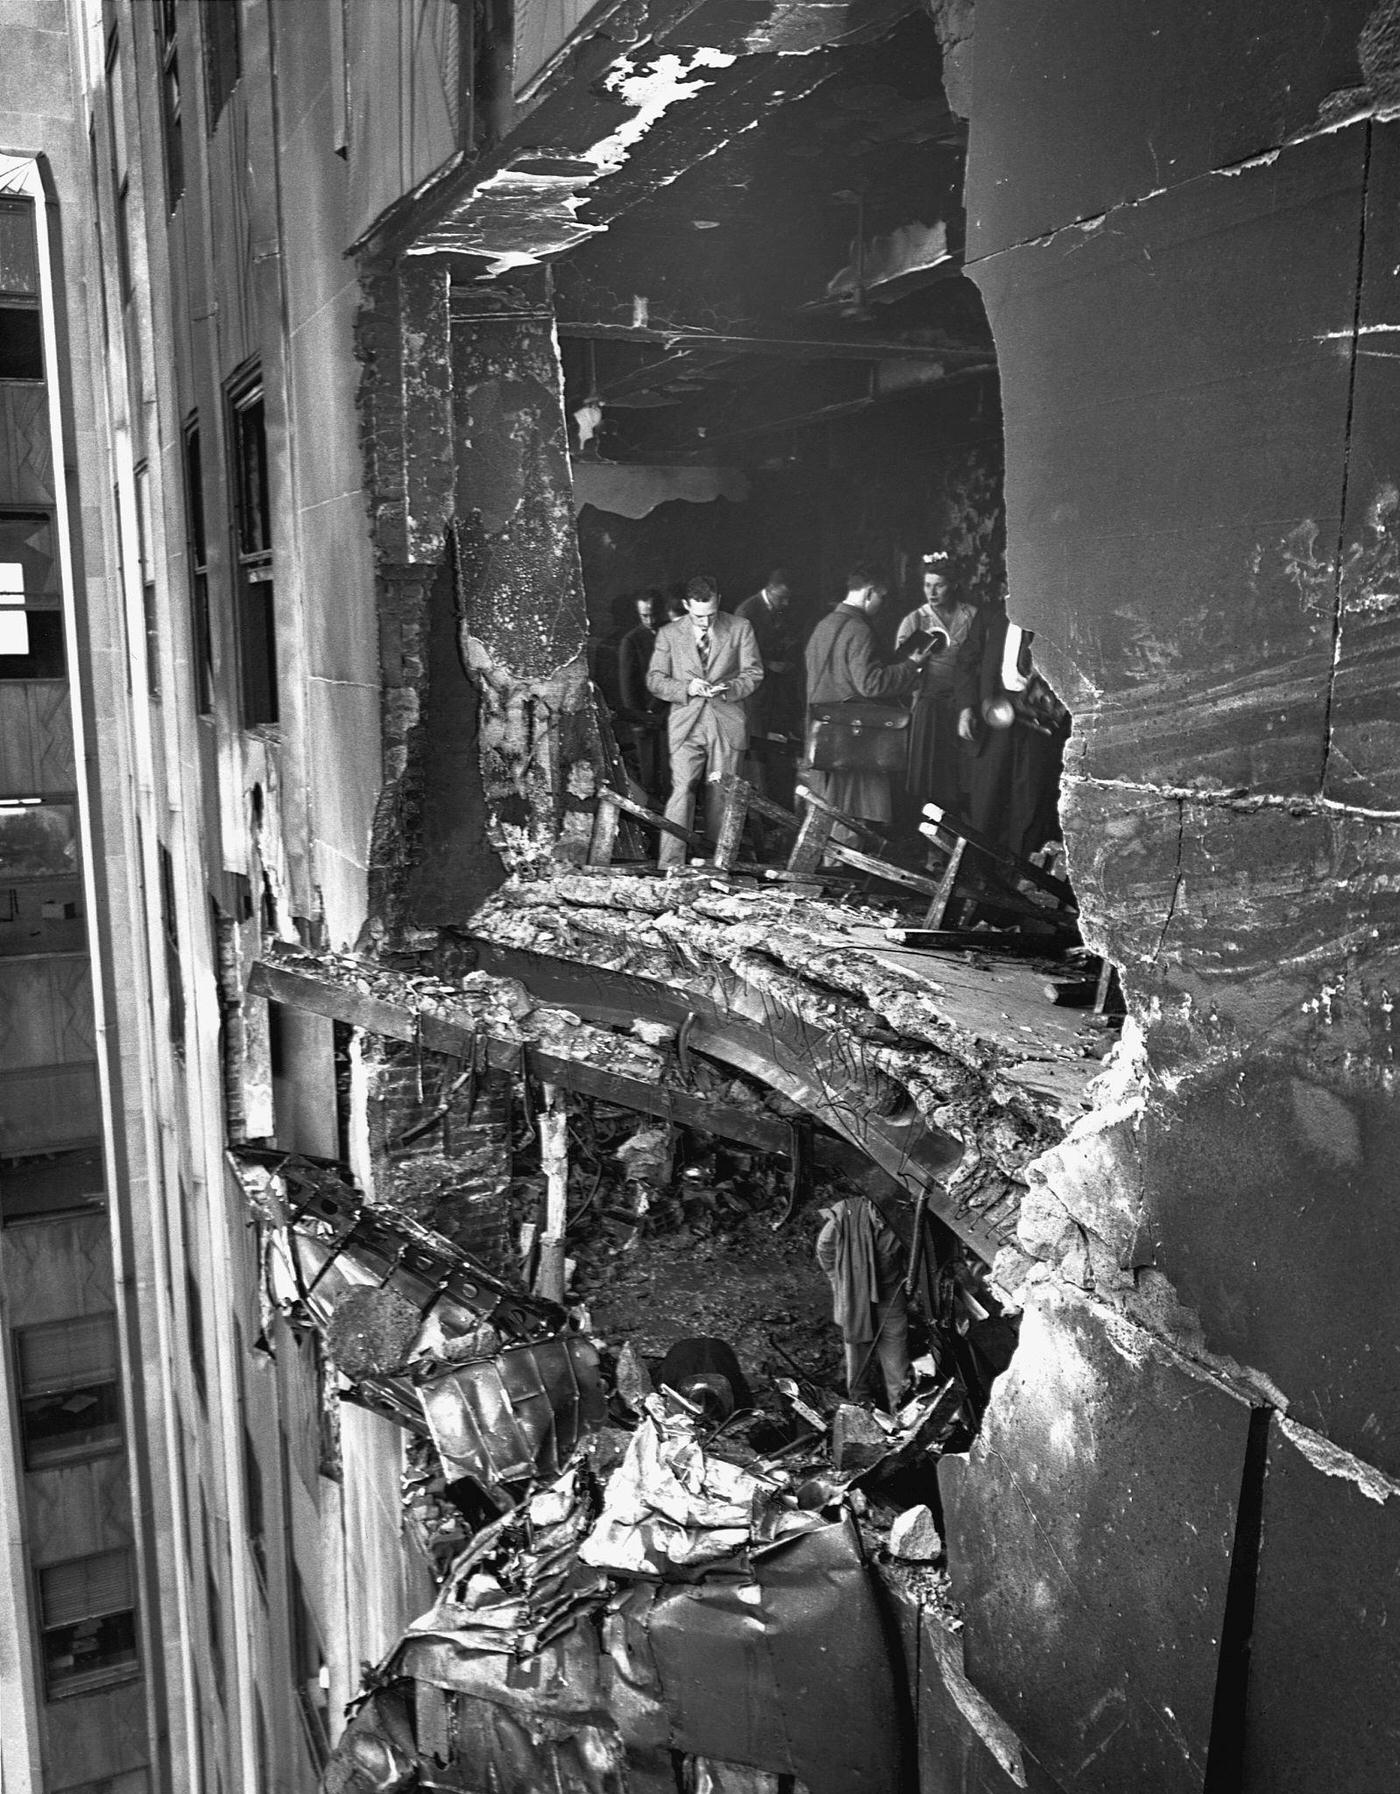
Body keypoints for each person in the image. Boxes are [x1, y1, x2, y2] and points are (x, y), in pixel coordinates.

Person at [646, 575, 763, 869]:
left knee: (721, 795)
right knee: (682, 789)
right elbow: (654, 680)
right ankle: (671, 863)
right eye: (699, 615)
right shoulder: (668, 634)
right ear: (686, 605)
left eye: (711, 614)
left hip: (726, 720)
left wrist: (731, 688)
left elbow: (754, 673)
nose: (706, 622)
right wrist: (686, 688)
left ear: (719, 601)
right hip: (687, 721)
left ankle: (717, 865)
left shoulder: (741, 628)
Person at [802, 564, 922, 834]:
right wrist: (910, 665)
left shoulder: (824, 625)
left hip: (823, 732)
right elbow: (870, 684)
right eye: (881, 597)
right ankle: (845, 872)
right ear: (869, 593)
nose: (881, 604)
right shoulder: (859, 629)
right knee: (851, 812)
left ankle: (829, 868)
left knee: (826, 809)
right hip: (853, 736)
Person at [956, 593, 1067, 864]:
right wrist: (966, 706)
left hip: (1039, 726)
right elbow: (966, 662)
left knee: (1029, 804)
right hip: (994, 719)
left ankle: (1020, 881)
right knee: (986, 801)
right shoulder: (991, 615)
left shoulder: (1058, 618)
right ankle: (977, 877)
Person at [897, 552, 979, 823]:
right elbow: (900, 671)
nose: (931, 592)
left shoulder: (972, 616)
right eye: (927, 585)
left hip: (964, 707)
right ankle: (934, 849)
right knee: (933, 781)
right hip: (930, 707)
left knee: (964, 778)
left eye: (939, 585)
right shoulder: (915, 621)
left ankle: (964, 843)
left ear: (953, 585)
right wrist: (914, 664)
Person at [815, 1194, 911, 1410]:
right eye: (878, 1214)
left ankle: (900, 1411)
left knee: (897, 1360)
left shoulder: (903, 1221)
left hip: (890, 1295)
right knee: (858, 1360)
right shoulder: (847, 1213)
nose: (881, 1220)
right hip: (855, 1296)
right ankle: (860, 1408)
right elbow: (824, 1248)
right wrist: (838, 1281)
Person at [737, 567, 803, 828]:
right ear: (771, 588)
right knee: (759, 758)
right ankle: (762, 822)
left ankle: (780, 819)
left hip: (778, 698)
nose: (786, 603)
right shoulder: (747, 612)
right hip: (756, 699)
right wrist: (771, 665)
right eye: (782, 597)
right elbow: (738, 659)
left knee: (780, 756)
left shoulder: (781, 609)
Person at [616, 589, 667, 799]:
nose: (650, 620)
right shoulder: (632, 641)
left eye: (654, 614)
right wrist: (637, 719)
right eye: (644, 615)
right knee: (650, 773)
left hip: (671, 712)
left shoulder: (671, 633)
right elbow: (629, 685)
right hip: (647, 716)